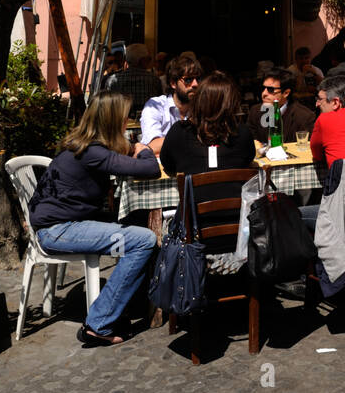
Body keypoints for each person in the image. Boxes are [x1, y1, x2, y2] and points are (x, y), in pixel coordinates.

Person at [27, 92, 161, 345]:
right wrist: (141, 149)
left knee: (135, 223)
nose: (128, 122)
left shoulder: (84, 145)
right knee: (143, 239)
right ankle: (99, 324)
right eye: (124, 118)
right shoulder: (93, 152)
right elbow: (150, 168)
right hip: (59, 230)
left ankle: (129, 304)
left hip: (59, 223)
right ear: (112, 121)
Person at [159, 72, 258, 253]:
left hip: (195, 232)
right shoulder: (242, 134)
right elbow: (248, 159)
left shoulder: (179, 133)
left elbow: (168, 165)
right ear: (231, 103)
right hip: (241, 231)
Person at [140, 55, 202, 155]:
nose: (195, 84)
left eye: (198, 79)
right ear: (173, 83)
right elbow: (153, 146)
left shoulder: (202, 106)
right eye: (188, 80)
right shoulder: (156, 106)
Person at [247, 67, 317, 145]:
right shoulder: (255, 111)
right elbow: (249, 144)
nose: (264, 94)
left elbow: (306, 149)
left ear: (286, 93)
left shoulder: (304, 117)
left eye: (270, 90)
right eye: (263, 88)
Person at [108, 43, 160, 119]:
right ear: (142, 61)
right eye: (148, 59)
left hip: (119, 122)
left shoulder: (112, 80)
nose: (150, 62)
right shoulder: (153, 79)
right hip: (147, 122)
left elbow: (108, 105)